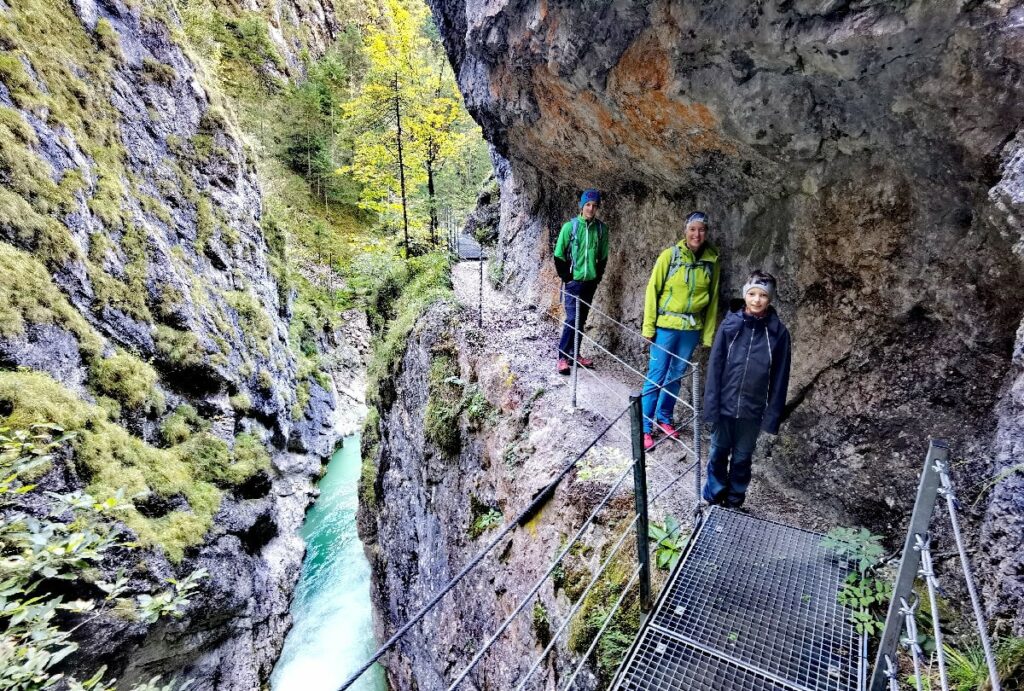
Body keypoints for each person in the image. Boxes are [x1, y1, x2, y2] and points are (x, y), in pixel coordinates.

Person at [701, 270, 792, 508]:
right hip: (725, 404)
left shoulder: (778, 334)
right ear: (745, 295)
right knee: (718, 451)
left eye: (762, 295)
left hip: (753, 409)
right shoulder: (730, 326)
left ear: (770, 299)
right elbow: (715, 368)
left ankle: (734, 500)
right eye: (752, 294)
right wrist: (711, 405)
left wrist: (771, 417)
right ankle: (714, 495)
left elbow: (780, 379)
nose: (756, 300)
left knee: (742, 457)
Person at [640, 211, 720, 450]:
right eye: (693, 229)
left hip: (691, 328)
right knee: (656, 375)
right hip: (667, 326)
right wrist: (648, 326)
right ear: (685, 231)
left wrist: (707, 334)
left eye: (701, 230)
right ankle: (644, 426)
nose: (697, 234)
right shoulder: (670, 256)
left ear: (706, 233)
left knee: (677, 375)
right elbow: (652, 289)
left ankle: (664, 417)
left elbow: (713, 299)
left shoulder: (711, 261)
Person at [553, 189, 609, 375]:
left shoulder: (601, 230)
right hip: (573, 282)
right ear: (582, 206)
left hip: (589, 283)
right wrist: (567, 277)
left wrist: (597, 277)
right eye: (588, 205)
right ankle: (562, 357)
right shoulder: (570, 227)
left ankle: (574, 354)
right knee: (571, 319)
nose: (591, 209)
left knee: (581, 319)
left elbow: (603, 257)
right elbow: (559, 254)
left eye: (594, 206)